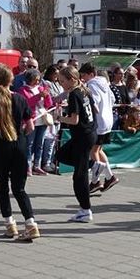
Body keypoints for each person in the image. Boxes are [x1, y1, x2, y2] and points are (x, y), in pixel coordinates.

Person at [0, 66, 38, 241]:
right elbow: (30, 126)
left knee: (2, 187)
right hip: (19, 145)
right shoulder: (21, 98)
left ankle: (10, 224)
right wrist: (20, 135)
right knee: (20, 188)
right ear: (11, 80)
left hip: (1, 146)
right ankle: (31, 224)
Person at [55, 66, 97, 223]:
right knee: (61, 155)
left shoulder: (74, 94)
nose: (61, 84)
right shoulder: (84, 90)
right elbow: (94, 111)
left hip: (83, 136)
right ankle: (93, 164)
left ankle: (85, 210)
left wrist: (60, 118)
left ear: (72, 80)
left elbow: (74, 120)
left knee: (79, 177)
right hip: (88, 133)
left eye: (63, 81)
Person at [80, 63, 119, 193]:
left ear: (91, 74)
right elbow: (113, 100)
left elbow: (93, 104)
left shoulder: (92, 85)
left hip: (99, 122)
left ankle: (95, 181)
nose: (83, 78)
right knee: (99, 149)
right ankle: (110, 177)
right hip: (108, 120)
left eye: (84, 75)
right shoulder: (105, 84)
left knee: (94, 151)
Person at [17, 68, 53, 176]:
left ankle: (37, 165)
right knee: (29, 144)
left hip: (42, 118)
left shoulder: (41, 88)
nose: (37, 82)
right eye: (35, 79)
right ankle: (27, 166)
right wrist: (39, 96)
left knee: (39, 144)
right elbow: (27, 103)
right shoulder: (22, 90)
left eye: (39, 79)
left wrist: (47, 96)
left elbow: (49, 104)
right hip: (31, 120)